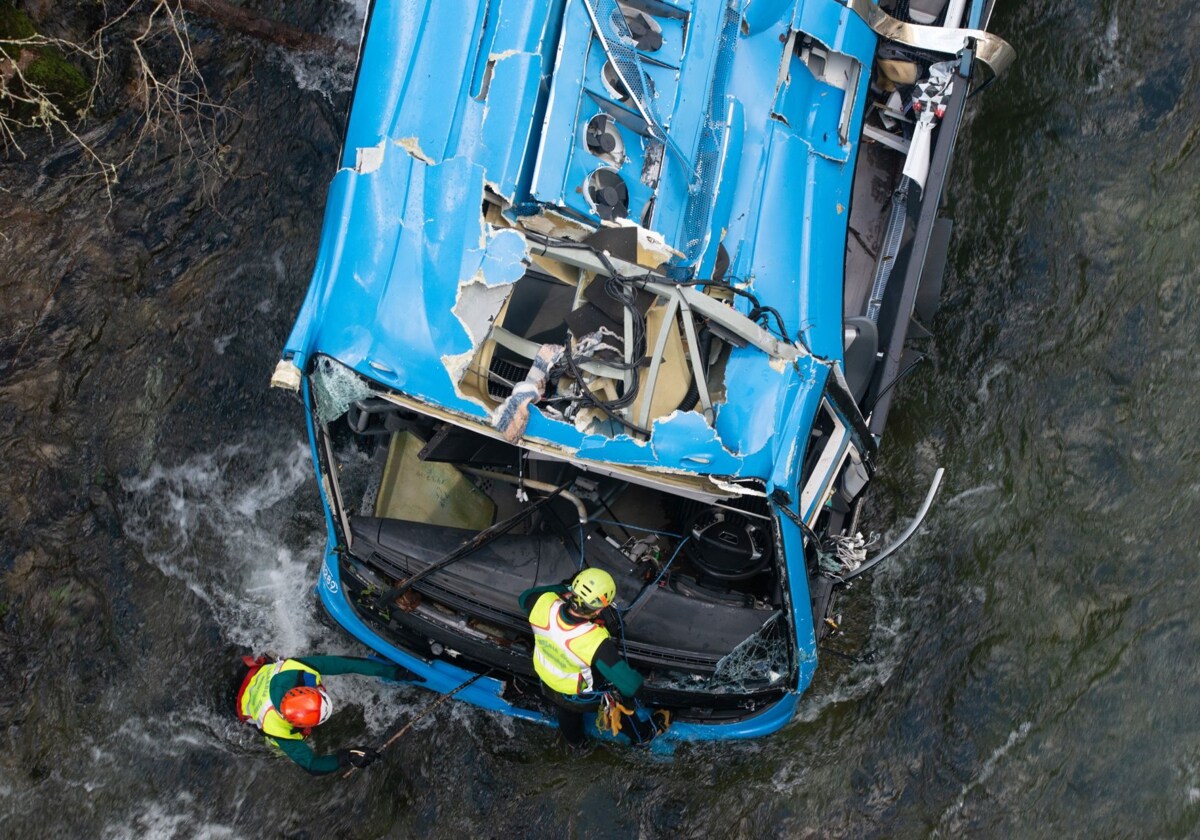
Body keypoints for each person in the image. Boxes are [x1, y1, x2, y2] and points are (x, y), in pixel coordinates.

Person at [519, 568, 669, 748]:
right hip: (578, 693)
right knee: (618, 701)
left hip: (546, 675)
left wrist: (565, 588)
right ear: (598, 611)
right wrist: (633, 692)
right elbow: (631, 685)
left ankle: (577, 744)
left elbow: (525, 597)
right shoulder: (594, 642)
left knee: (567, 713)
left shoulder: (541, 603)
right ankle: (643, 736)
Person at [235, 653, 411, 775]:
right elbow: (312, 765)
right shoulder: (274, 727)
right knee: (278, 750)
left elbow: (348, 664)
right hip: (242, 704)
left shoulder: (298, 668)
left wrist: (394, 672)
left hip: (253, 675)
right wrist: (347, 757)